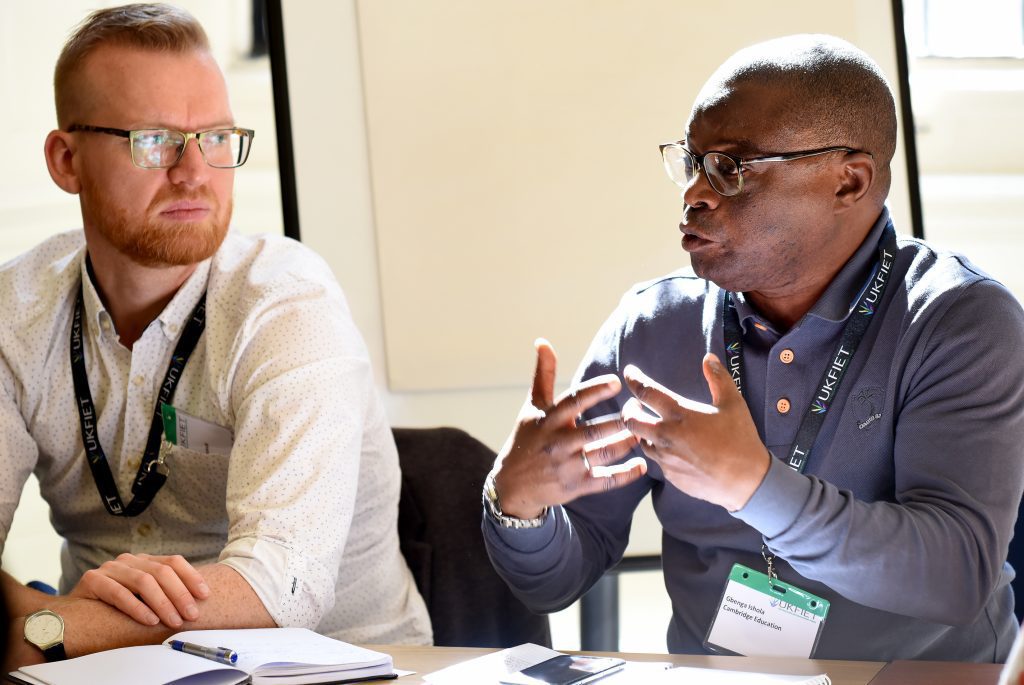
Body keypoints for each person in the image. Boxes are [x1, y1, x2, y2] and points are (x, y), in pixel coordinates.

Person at [483, 34, 1024, 662]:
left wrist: (754, 486)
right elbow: (554, 581)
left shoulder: (959, 321)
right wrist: (517, 505)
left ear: (849, 182)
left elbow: (955, 577)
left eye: (730, 168)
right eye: (692, 163)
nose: (693, 194)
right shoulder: (654, 326)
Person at [0, 3, 430, 666]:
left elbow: (280, 590)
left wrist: (50, 626)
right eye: (155, 140)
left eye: (218, 138)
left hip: (331, 669)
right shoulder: (16, 312)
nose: (195, 172)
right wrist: (57, 629)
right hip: (101, 675)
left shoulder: (287, 303)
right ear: (67, 160)